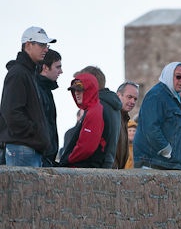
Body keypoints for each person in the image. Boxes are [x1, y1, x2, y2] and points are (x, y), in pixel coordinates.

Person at [0, 26, 57, 167]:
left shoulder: (29, 73)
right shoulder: (18, 74)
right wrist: (35, 133)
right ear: (28, 45)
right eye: (42, 44)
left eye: (46, 45)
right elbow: (11, 112)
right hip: (22, 149)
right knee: (22, 190)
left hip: (28, 149)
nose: (46, 49)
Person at [133, 62, 181, 170]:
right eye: (178, 76)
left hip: (171, 165)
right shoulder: (156, 96)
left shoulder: (178, 100)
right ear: (168, 75)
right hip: (155, 164)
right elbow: (151, 128)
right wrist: (166, 150)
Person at [76, 66, 121, 169]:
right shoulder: (113, 106)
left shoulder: (98, 106)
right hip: (106, 164)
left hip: (93, 167)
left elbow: (87, 146)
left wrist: (69, 159)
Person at [58, 73, 106, 167]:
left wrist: (68, 159)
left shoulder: (93, 112)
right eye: (74, 90)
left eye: (80, 90)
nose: (76, 93)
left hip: (86, 167)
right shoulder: (93, 110)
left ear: (90, 90)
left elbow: (87, 147)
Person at [35, 48, 63, 167]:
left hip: (45, 157)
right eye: (58, 67)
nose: (61, 71)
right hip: (39, 157)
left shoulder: (45, 90)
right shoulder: (37, 90)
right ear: (45, 68)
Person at [114, 82, 139, 169]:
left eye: (135, 99)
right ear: (118, 95)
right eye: (129, 97)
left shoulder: (124, 119)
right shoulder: (112, 116)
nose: (132, 102)